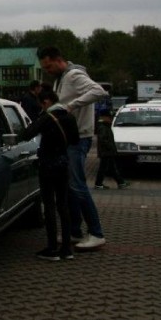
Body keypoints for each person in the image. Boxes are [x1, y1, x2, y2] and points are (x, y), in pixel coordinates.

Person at [38, 45, 109, 251]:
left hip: (78, 139)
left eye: (49, 66)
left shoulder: (74, 75)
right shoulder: (61, 79)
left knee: (77, 186)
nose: (47, 71)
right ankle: (75, 231)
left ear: (58, 60)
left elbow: (98, 91)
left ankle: (96, 233)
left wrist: (71, 106)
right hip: (68, 139)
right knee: (69, 187)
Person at [17, 89, 79, 261]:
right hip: (63, 163)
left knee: (49, 205)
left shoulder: (46, 118)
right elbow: (75, 140)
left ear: (46, 102)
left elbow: (27, 134)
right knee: (63, 205)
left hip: (47, 165)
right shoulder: (69, 117)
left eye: (41, 103)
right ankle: (66, 249)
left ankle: (52, 248)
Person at [94, 110, 129, 189]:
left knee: (111, 168)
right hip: (106, 151)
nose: (111, 119)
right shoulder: (103, 126)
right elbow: (103, 139)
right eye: (109, 117)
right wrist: (110, 147)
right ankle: (99, 184)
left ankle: (120, 182)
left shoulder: (105, 125)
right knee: (104, 168)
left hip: (107, 151)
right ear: (104, 118)